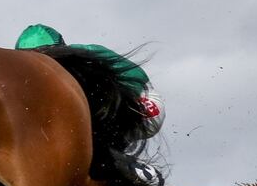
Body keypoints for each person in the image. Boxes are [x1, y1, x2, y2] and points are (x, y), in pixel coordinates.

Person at [14, 24, 165, 139]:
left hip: (140, 101)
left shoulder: (89, 53)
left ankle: (128, 166)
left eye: (46, 56)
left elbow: (138, 76)